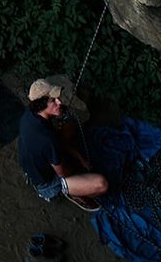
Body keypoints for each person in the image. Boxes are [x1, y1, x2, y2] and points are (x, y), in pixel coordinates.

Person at [18, 79, 108, 211]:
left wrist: (80, 158)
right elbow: (63, 173)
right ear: (41, 104)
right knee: (102, 184)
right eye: (53, 101)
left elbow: (56, 141)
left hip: (33, 164)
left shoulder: (30, 114)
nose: (59, 102)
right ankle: (71, 192)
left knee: (69, 126)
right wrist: (77, 165)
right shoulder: (47, 140)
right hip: (46, 184)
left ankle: (71, 178)